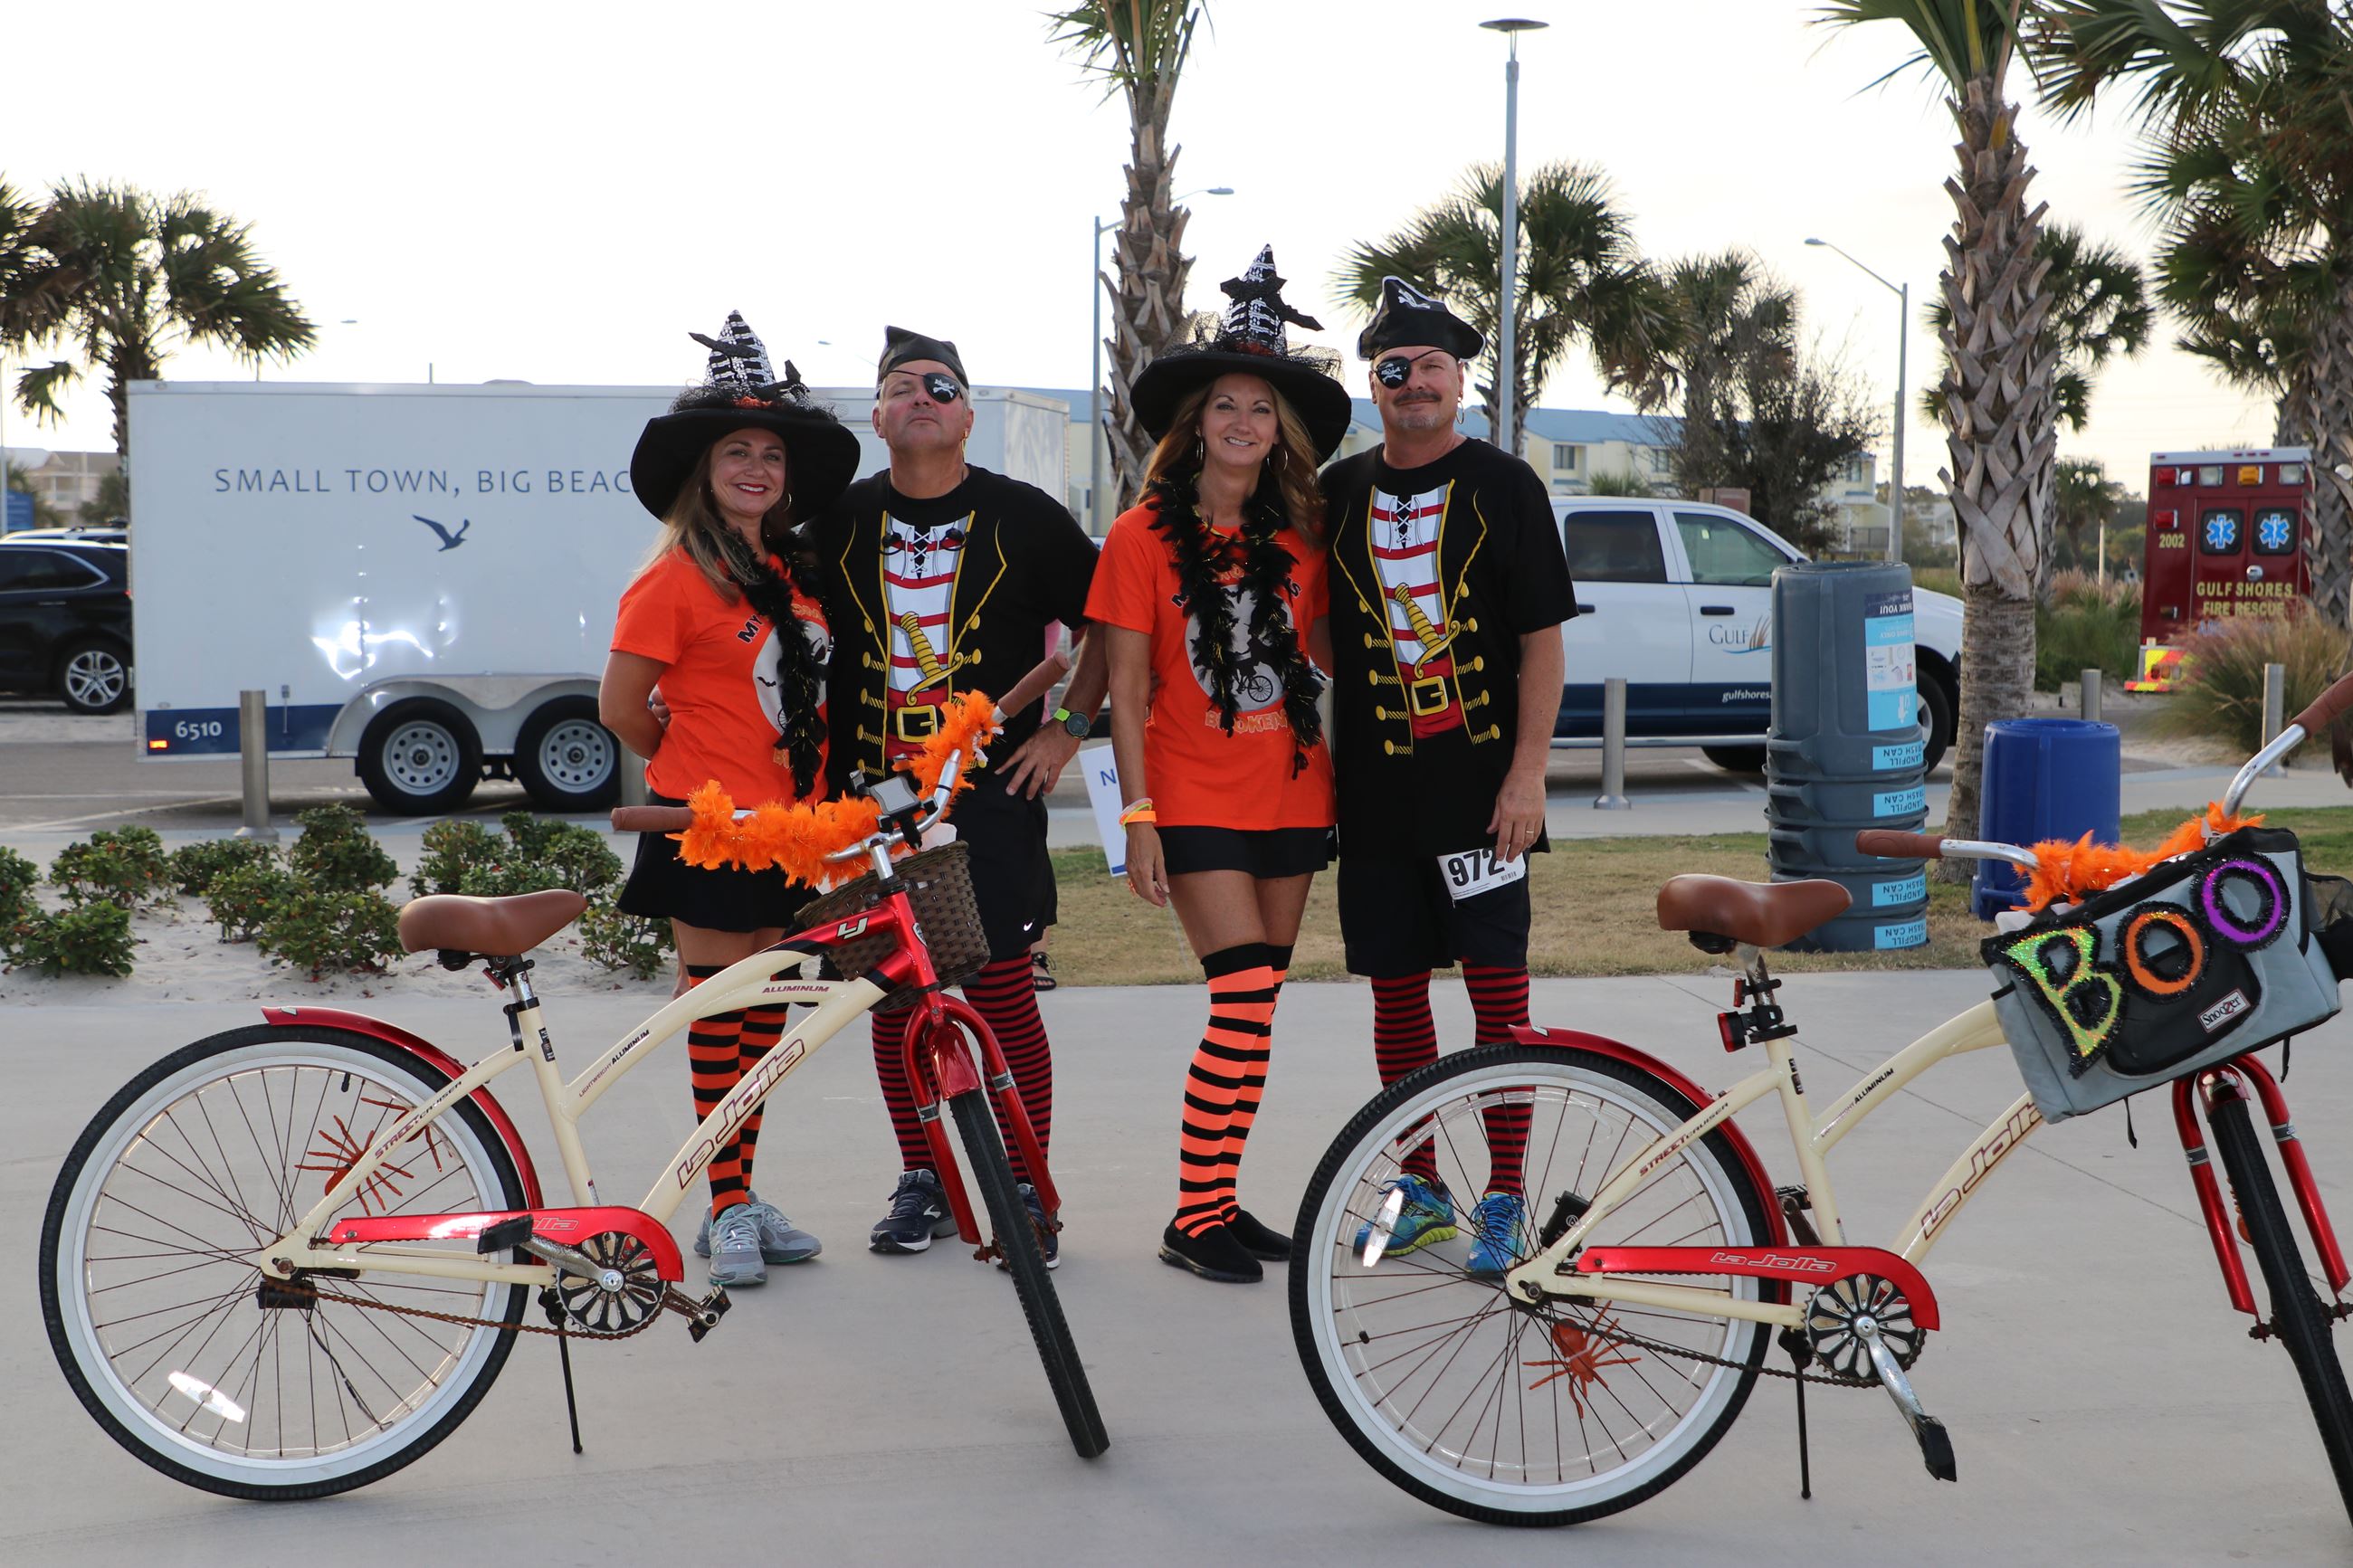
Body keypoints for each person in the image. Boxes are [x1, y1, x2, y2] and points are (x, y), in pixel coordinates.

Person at [813, 325, 1108, 1267]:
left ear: (968, 415)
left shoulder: (1025, 516)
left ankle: (1025, 1184)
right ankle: (925, 1174)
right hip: (865, 798)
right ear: (877, 415)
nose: (923, 396)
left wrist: (1068, 726)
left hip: (984, 793)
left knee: (1004, 991)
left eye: (941, 384)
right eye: (902, 385)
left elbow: (1109, 620)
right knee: (893, 995)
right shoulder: (835, 520)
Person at [1085, 247, 1353, 1284]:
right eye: (1225, 405)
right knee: (1238, 994)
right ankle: (1190, 1221)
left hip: (1289, 788)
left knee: (1260, 1002)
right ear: (1195, 422)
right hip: (1189, 793)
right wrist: (1137, 816)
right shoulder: (1138, 537)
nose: (1242, 422)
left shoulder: (1299, 542)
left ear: (1276, 432)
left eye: (1260, 409)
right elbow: (1124, 686)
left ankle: (1215, 1201)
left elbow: (1331, 658)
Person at [1317, 278, 1577, 1278]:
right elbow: (1316, 630)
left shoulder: (1506, 484)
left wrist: (1526, 778)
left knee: (1496, 993)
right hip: (1377, 791)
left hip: (1481, 788)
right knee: (1393, 991)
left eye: (1429, 365)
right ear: (1371, 384)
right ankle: (1420, 1185)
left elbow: (1540, 646)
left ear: (1457, 381)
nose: (1411, 381)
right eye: (1392, 366)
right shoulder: (1336, 492)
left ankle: (1503, 1194)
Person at [601, 312, 859, 1289]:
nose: (755, 466)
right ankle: (723, 1203)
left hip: (790, 836)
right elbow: (620, 706)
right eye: (734, 451)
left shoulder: (795, 573)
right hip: (710, 835)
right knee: (721, 1022)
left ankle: (736, 1194)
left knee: (764, 1025)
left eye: (769, 452)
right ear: (700, 472)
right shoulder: (670, 579)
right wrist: (695, 772)